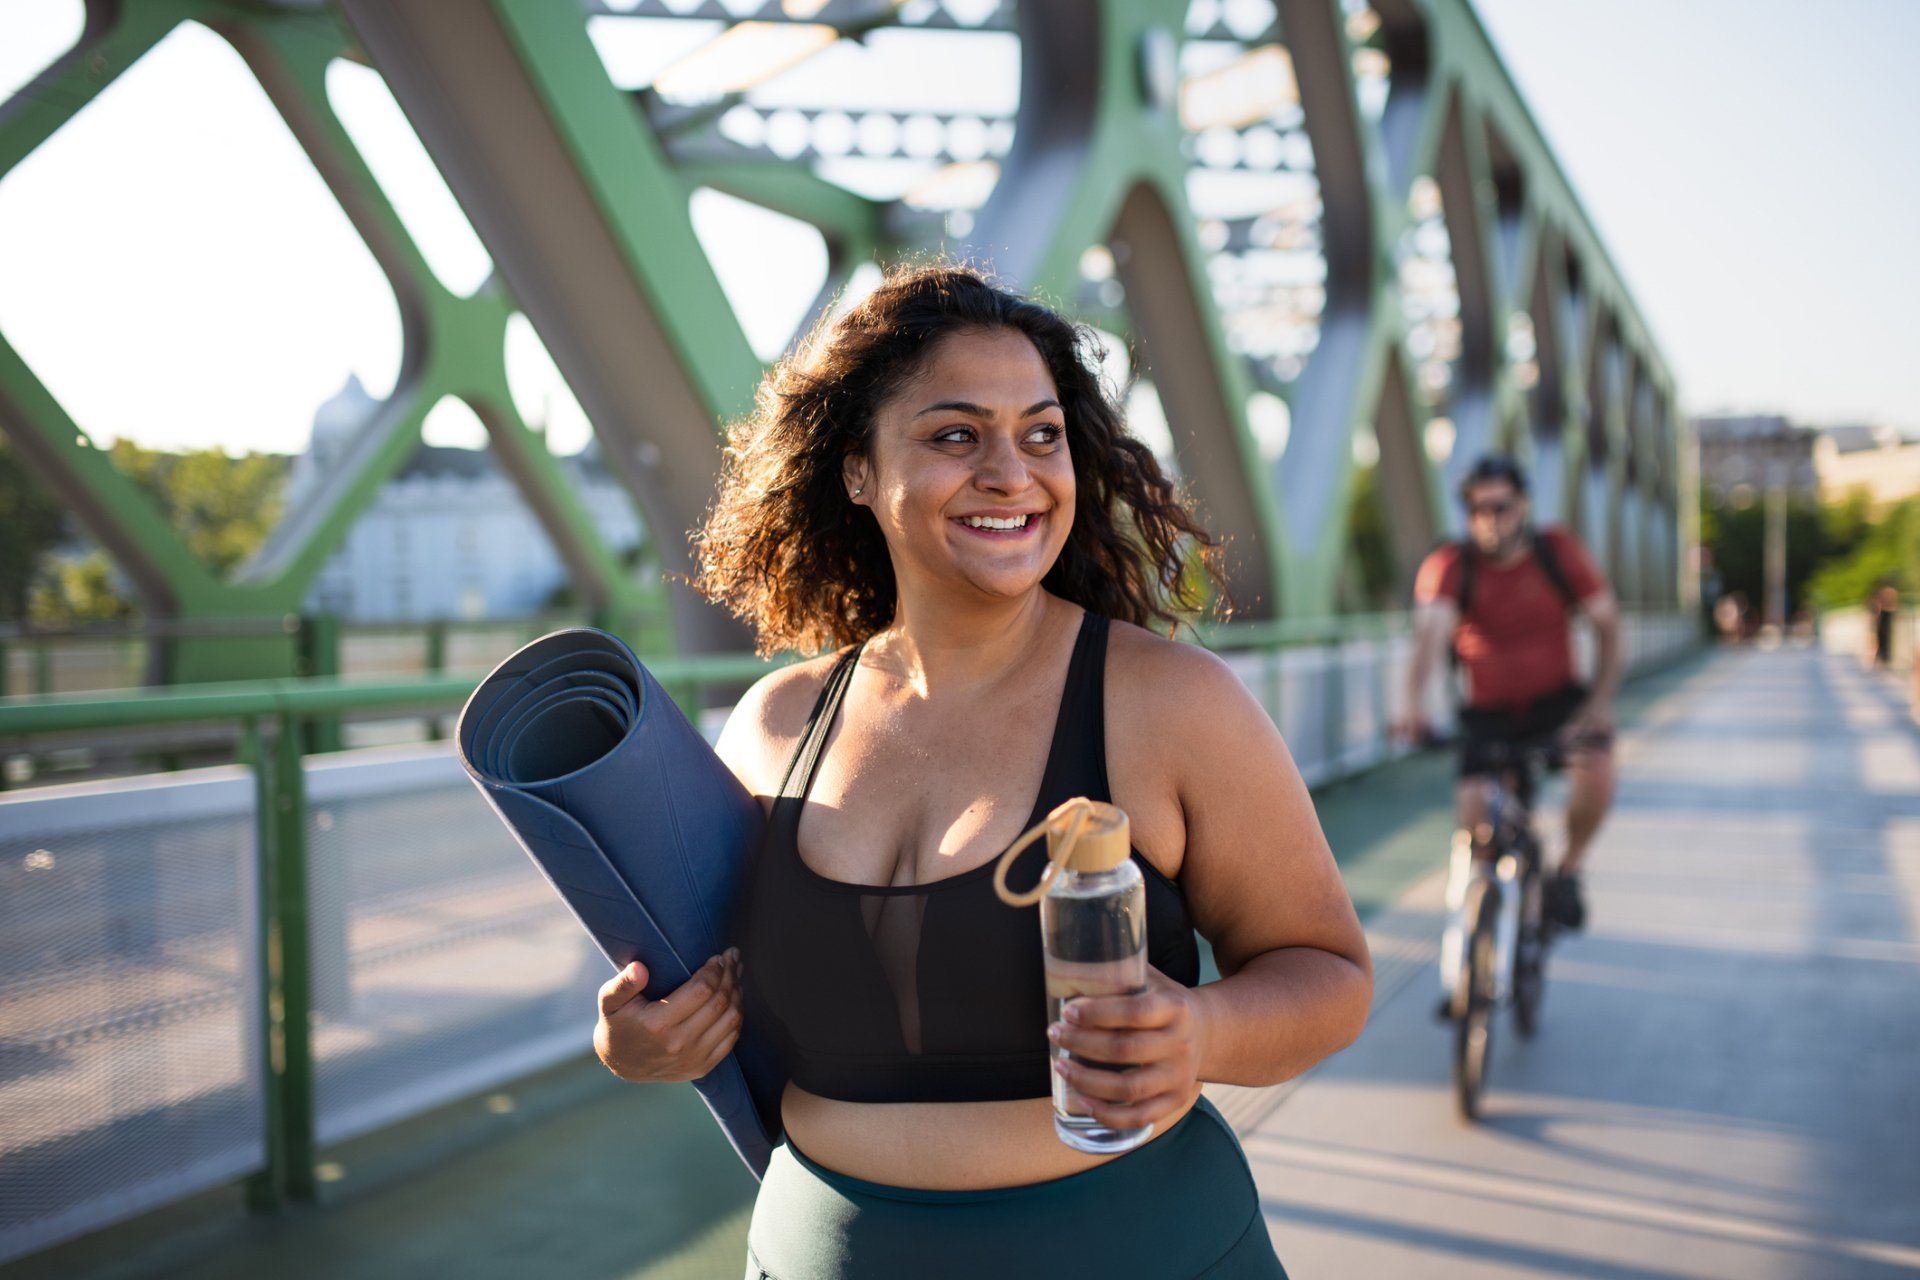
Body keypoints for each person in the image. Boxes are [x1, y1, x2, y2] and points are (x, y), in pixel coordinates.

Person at [590, 264, 1371, 1278]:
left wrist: (1202, 1028)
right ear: (857, 470)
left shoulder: (1172, 705)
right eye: (956, 435)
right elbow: (696, 987)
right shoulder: (776, 724)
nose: (1012, 471)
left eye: (1041, 434)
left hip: (1138, 1249)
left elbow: (1332, 977)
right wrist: (640, 1041)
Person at [1394, 455, 1622, 933]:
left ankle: (1569, 871)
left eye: (1501, 508)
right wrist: (1411, 708)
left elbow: (1608, 627)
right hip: (1488, 711)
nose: (1490, 521)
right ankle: (1474, 953)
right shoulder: (1451, 565)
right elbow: (1430, 639)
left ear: (1523, 506)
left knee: (1597, 772)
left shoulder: (1557, 551)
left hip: (1558, 702)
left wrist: (1597, 706)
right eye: (1477, 510)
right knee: (1476, 821)